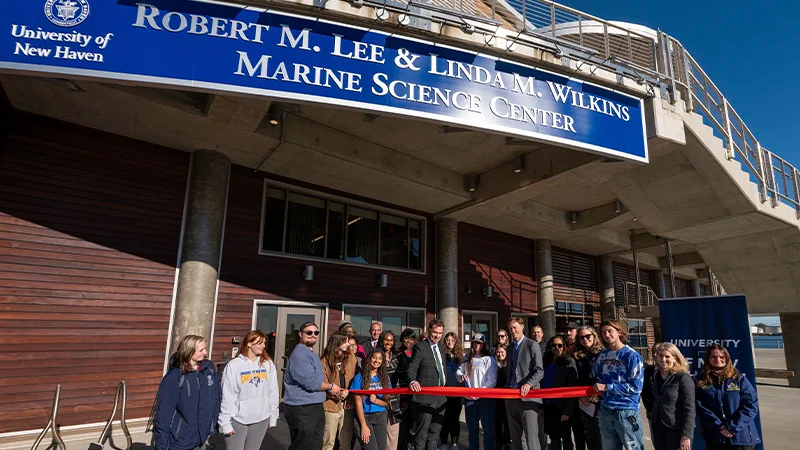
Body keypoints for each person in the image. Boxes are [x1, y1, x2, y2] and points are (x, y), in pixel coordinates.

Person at [154, 335, 221, 450]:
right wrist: (161, 446)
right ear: (189, 351)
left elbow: (216, 397)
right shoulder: (175, 377)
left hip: (202, 437)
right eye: (201, 350)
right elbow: (163, 414)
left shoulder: (208, 369)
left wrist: (213, 425)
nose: (205, 353)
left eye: (205, 348)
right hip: (181, 440)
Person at [283, 322, 344, 450]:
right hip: (302, 408)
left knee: (315, 445)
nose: (313, 335)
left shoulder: (311, 353)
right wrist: (331, 387)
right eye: (308, 332)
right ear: (300, 334)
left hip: (314, 406)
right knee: (303, 446)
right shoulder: (299, 354)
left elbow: (318, 379)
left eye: (316, 332)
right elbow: (312, 383)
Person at [219, 331, 279, 450]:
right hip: (238, 419)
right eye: (259, 343)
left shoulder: (268, 364)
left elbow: (273, 392)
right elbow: (228, 395)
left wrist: (273, 415)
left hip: (261, 418)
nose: (263, 346)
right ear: (249, 344)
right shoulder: (234, 366)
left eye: (264, 343)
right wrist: (225, 423)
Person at [695, 344, 760, 450]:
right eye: (714, 357)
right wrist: (718, 426)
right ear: (708, 359)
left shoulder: (738, 379)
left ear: (727, 358)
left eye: (722, 357)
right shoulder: (701, 380)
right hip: (716, 437)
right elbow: (699, 406)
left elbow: (751, 405)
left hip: (741, 438)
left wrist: (732, 427)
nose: (718, 360)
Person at [593, 320, 644, 450]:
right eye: (604, 332)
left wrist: (608, 387)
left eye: (610, 331)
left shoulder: (631, 355)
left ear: (619, 332)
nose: (607, 334)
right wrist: (597, 394)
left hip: (626, 411)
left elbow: (636, 388)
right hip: (606, 410)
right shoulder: (603, 355)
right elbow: (599, 380)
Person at [504, 316, 544, 450]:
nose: (512, 330)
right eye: (510, 328)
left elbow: (539, 371)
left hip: (528, 397)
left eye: (515, 327)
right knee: (516, 439)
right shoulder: (509, 348)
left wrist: (529, 384)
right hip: (511, 397)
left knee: (531, 438)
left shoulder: (532, 345)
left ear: (522, 327)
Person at [408, 318, 448, 450]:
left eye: (440, 333)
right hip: (425, 398)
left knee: (434, 436)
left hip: (441, 398)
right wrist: (413, 381)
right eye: (435, 332)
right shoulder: (420, 347)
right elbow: (412, 368)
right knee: (421, 436)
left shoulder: (441, 348)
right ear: (429, 330)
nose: (437, 336)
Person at [651, 343, 694, 450]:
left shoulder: (683, 378)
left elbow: (690, 409)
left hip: (676, 429)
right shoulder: (656, 376)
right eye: (660, 356)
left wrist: (686, 435)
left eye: (667, 356)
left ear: (675, 358)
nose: (663, 359)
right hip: (659, 428)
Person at [458, 332, 497, 450]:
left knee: (488, 431)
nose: (477, 345)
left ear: (483, 344)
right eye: (475, 343)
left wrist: (479, 393)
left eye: (479, 343)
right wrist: (461, 376)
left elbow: (492, 381)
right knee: (472, 431)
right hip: (470, 400)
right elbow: (459, 371)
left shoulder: (489, 359)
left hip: (484, 399)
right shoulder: (467, 358)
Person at [321, 332, 357, 450]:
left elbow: (357, 378)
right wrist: (337, 394)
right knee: (328, 442)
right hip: (330, 406)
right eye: (345, 341)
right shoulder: (324, 361)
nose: (348, 344)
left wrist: (352, 398)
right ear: (337, 342)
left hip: (348, 406)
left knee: (345, 442)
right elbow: (322, 385)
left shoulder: (351, 357)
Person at [542, 335, 578, 450]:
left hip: (562, 406)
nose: (556, 348)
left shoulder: (569, 362)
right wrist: (540, 405)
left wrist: (567, 411)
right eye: (554, 345)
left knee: (566, 437)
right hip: (548, 405)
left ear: (564, 347)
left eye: (559, 345)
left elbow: (572, 387)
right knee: (553, 437)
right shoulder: (546, 362)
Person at [352, 350, 393, 450]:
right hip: (364, 417)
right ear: (369, 358)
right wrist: (364, 425)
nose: (376, 361)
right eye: (374, 357)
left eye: (380, 358)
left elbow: (386, 402)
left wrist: (375, 401)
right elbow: (358, 403)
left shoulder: (385, 378)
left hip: (380, 416)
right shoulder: (359, 378)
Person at [573, 326, 603, 450]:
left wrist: (598, 394)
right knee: (590, 436)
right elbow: (576, 379)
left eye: (588, 336)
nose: (585, 339)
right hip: (584, 402)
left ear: (594, 336)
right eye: (581, 337)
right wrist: (580, 396)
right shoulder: (577, 356)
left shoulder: (603, 354)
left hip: (600, 401)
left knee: (601, 436)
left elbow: (606, 376)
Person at [440, 331, 465, 450]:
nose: (450, 343)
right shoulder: (441, 354)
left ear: (456, 342)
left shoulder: (461, 357)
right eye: (448, 340)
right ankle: (444, 442)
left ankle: (455, 443)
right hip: (444, 392)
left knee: (455, 419)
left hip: (457, 393)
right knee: (445, 418)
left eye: (452, 340)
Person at [563, 322, 585, 450]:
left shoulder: (581, 348)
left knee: (580, 431)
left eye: (571, 330)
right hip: (566, 394)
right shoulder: (563, 347)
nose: (568, 333)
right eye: (566, 331)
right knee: (566, 430)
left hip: (580, 394)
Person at [380, 331, 403, 450]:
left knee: (393, 435)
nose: (388, 342)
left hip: (395, 400)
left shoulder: (397, 356)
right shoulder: (376, 355)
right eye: (386, 340)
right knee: (380, 434)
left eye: (391, 340)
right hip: (379, 399)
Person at [394, 328, 417, 450]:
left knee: (413, 425)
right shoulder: (397, 354)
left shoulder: (416, 353)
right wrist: (402, 398)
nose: (408, 341)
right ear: (402, 339)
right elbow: (395, 376)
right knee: (402, 426)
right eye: (406, 338)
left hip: (415, 394)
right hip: (401, 394)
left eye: (412, 338)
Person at [494, 344, 511, 450]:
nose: (500, 354)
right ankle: (499, 442)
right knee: (497, 422)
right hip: (495, 398)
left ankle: (507, 441)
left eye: (502, 352)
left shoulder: (509, 366)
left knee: (507, 421)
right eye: (498, 352)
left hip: (506, 398)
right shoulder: (493, 365)